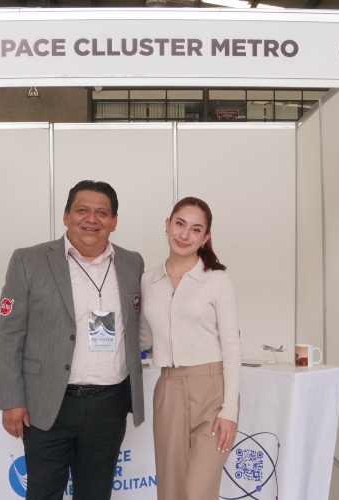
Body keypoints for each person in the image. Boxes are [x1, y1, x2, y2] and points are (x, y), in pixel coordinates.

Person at [0, 180, 145, 500]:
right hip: (47, 403)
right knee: (43, 492)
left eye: (102, 213)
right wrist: (11, 400)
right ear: (66, 216)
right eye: (82, 210)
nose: (92, 219)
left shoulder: (133, 262)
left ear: (114, 221)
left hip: (109, 405)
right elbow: (8, 333)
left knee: (96, 493)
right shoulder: (29, 260)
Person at [139, 197, 241, 500]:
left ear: (205, 237)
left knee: (197, 492)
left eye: (196, 230)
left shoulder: (217, 280)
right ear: (167, 225)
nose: (185, 235)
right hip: (168, 389)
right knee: (170, 490)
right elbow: (144, 339)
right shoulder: (148, 280)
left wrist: (230, 410)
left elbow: (231, 347)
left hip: (212, 391)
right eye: (180, 224)